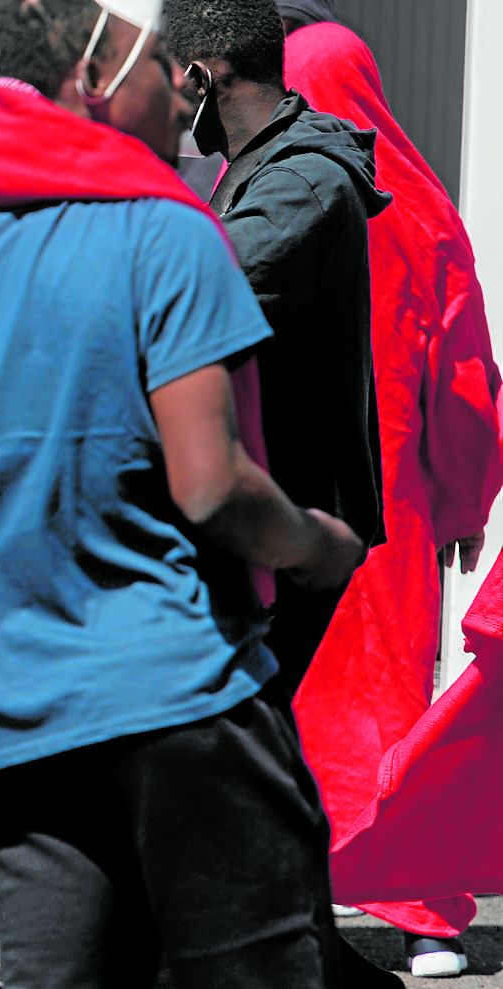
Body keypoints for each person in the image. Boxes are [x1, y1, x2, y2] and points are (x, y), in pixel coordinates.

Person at [0, 1, 363, 985]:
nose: (175, 92)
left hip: (4, 710)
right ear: (91, 83)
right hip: (181, 696)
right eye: (155, 68)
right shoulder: (167, 234)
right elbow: (211, 487)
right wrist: (313, 544)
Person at [284, 16, 503, 979]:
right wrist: (463, 503)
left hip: (277, 500)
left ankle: (275, 900)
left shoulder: (251, 192)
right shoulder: (422, 208)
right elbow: (464, 373)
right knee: (389, 697)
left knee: (279, 699)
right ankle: (424, 920)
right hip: (394, 507)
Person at [164, 0, 389, 703]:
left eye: (173, 78)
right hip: (265, 507)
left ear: (207, 75)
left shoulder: (302, 184)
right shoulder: (263, 167)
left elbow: (196, 287)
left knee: (238, 741)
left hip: (294, 518)